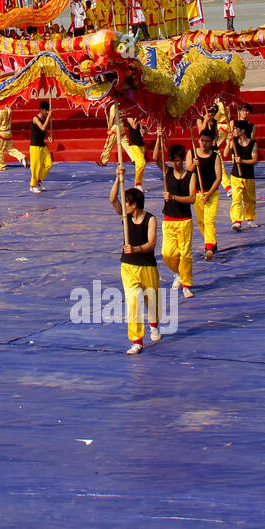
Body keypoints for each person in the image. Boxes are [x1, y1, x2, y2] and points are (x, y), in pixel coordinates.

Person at [108, 163, 161, 355]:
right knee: (133, 301)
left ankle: (154, 326)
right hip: (128, 266)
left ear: (134, 205)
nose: (124, 205)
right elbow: (112, 199)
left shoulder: (151, 219)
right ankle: (137, 340)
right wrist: (117, 177)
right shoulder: (125, 216)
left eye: (127, 202)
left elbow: (152, 243)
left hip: (146, 265)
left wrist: (136, 248)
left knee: (151, 300)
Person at [158, 143, 199, 299]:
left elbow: (192, 198)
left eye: (178, 160)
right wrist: (158, 140)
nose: (176, 163)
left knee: (186, 254)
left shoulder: (190, 176)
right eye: (173, 160)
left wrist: (173, 197)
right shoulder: (167, 172)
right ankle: (179, 273)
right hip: (169, 220)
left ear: (183, 160)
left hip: (184, 220)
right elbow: (155, 158)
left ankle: (186, 284)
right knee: (167, 254)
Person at [190, 127, 223, 262]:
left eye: (207, 141)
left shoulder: (215, 156)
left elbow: (219, 177)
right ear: (198, 141)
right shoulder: (193, 153)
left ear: (212, 142)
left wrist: (209, 194)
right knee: (201, 221)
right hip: (197, 193)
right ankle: (211, 242)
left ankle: (209, 247)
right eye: (202, 141)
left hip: (211, 193)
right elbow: (187, 171)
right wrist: (193, 164)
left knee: (209, 220)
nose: (204, 144)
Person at [229, 120, 259, 231]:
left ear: (243, 131)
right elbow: (226, 153)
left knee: (250, 198)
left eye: (236, 129)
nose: (234, 131)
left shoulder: (252, 144)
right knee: (236, 198)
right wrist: (228, 142)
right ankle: (237, 221)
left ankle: (250, 219)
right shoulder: (234, 142)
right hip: (236, 175)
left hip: (248, 175)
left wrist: (242, 161)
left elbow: (254, 160)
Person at [28, 101, 53, 194]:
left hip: (42, 145)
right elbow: (42, 127)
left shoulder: (44, 118)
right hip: (35, 146)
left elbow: (43, 131)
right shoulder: (35, 118)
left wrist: (47, 136)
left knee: (48, 164)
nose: (47, 113)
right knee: (36, 167)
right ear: (41, 110)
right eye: (46, 111)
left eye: (48, 111)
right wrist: (49, 117)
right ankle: (32, 186)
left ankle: (38, 180)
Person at [0, 103, 26, 171]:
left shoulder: (0, 112)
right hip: (8, 132)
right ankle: (21, 157)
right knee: (10, 148)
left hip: (2, 132)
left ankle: (2, 166)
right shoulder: (9, 110)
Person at [121, 116, 147, 188]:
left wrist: (145, 131)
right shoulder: (130, 117)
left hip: (141, 144)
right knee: (142, 163)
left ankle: (138, 184)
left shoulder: (141, 116)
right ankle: (138, 184)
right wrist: (138, 119)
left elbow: (145, 129)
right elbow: (134, 126)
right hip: (134, 144)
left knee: (139, 166)